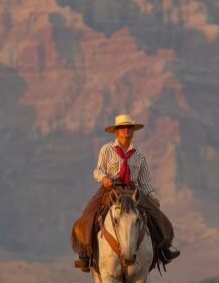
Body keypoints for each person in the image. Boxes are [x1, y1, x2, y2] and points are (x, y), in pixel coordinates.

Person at [71, 114, 180, 272]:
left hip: (133, 189)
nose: (126, 130)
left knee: (157, 216)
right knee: (89, 214)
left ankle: (163, 250)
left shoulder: (139, 154)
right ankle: (85, 254)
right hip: (111, 188)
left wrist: (152, 196)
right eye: (122, 128)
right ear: (117, 131)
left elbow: (145, 179)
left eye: (129, 128)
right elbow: (98, 170)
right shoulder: (106, 149)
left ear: (133, 131)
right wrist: (104, 178)